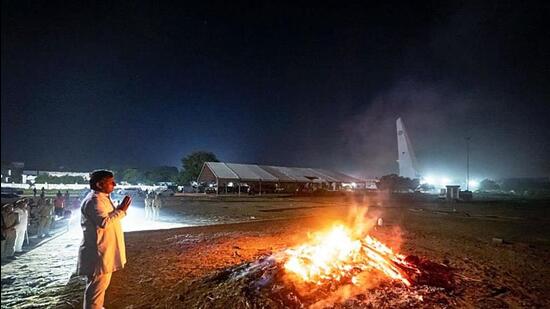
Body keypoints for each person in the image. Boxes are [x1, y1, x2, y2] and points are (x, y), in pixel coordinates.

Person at [77, 170, 132, 309]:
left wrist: (119, 210)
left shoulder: (102, 198)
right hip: (98, 254)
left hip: (104, 252)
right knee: (95, 291)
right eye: (110, 182)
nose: (114, 184)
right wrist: (121, 210)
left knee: (98, 289)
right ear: (100, 184)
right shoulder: (94, 201)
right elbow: (104, 222)